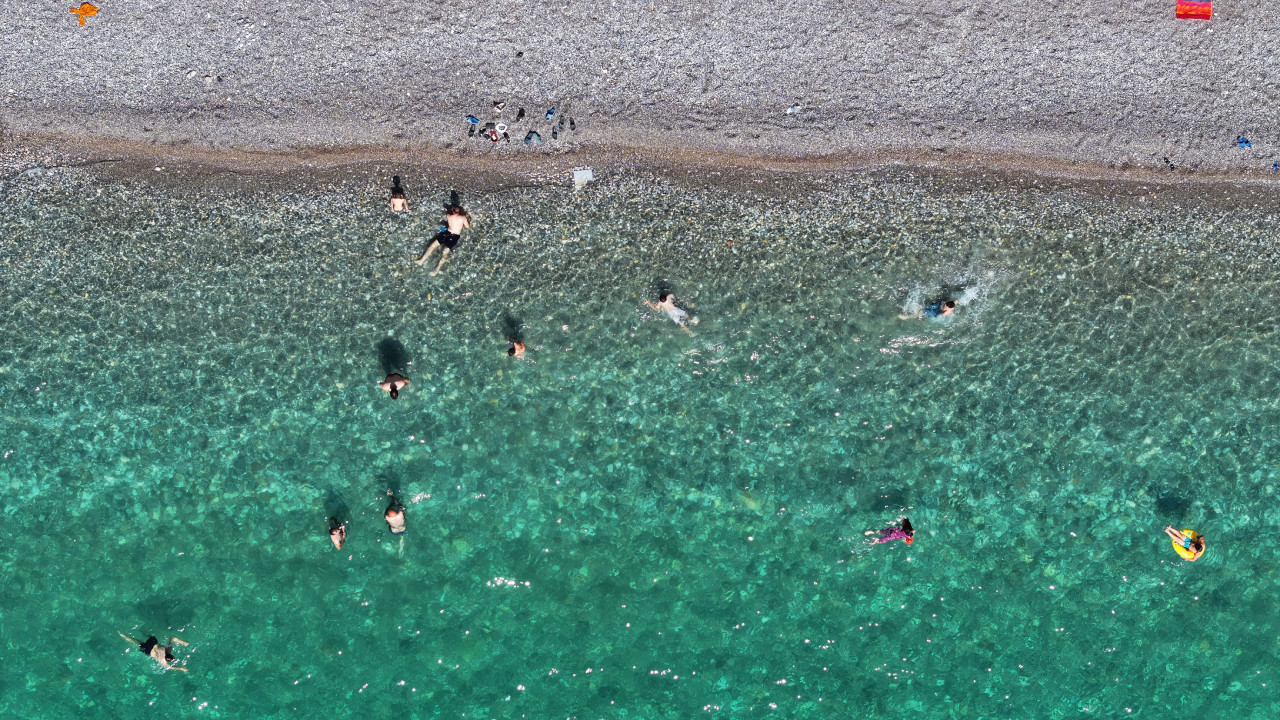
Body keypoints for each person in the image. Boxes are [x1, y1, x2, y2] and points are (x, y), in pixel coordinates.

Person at [415, 203, 471, 276]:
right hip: (454, 236)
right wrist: (467, 216)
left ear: (452, 211)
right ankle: (436, 271)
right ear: (459, 211)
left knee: (432, 245)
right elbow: (467, 226)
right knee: (444, 253)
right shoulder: (462, 217)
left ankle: (421, 261)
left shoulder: (448, 215)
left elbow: (450, 213)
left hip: (446, 232)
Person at [118, 632, 189, 672]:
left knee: (150, 636)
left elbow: (172, 638)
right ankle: (121, 635)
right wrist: (181, 668)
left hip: (152, 643)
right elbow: (171, 668)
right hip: (148, 650)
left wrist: (183, 642)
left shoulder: (167, 650)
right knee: (134, 641)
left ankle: (143, 632)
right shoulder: (163, 662)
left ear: (169, 654)